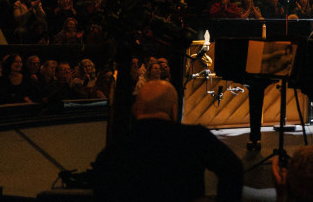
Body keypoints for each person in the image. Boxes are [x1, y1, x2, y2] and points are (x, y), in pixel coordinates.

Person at [92, 80, 243, 202]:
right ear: (174, 110)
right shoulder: (194, 137)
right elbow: (233, 169)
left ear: (136, 109)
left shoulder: (115, 149)